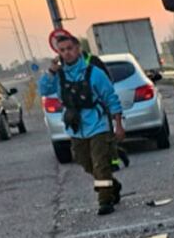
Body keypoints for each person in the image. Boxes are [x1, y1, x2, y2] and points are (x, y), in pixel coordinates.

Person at [39, 35, 126, 215]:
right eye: (62, 50)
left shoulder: (94, 73)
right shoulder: (59, 76)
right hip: (76, 128)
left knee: (100, 164)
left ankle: (105, 201)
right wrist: (51, 72)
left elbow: (111, 98)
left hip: (97, 125)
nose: (67, 53)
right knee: (85, 163)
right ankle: (113, 186)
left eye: (69, 48)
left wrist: (118, 124)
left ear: (78, 49)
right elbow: (44, 90)